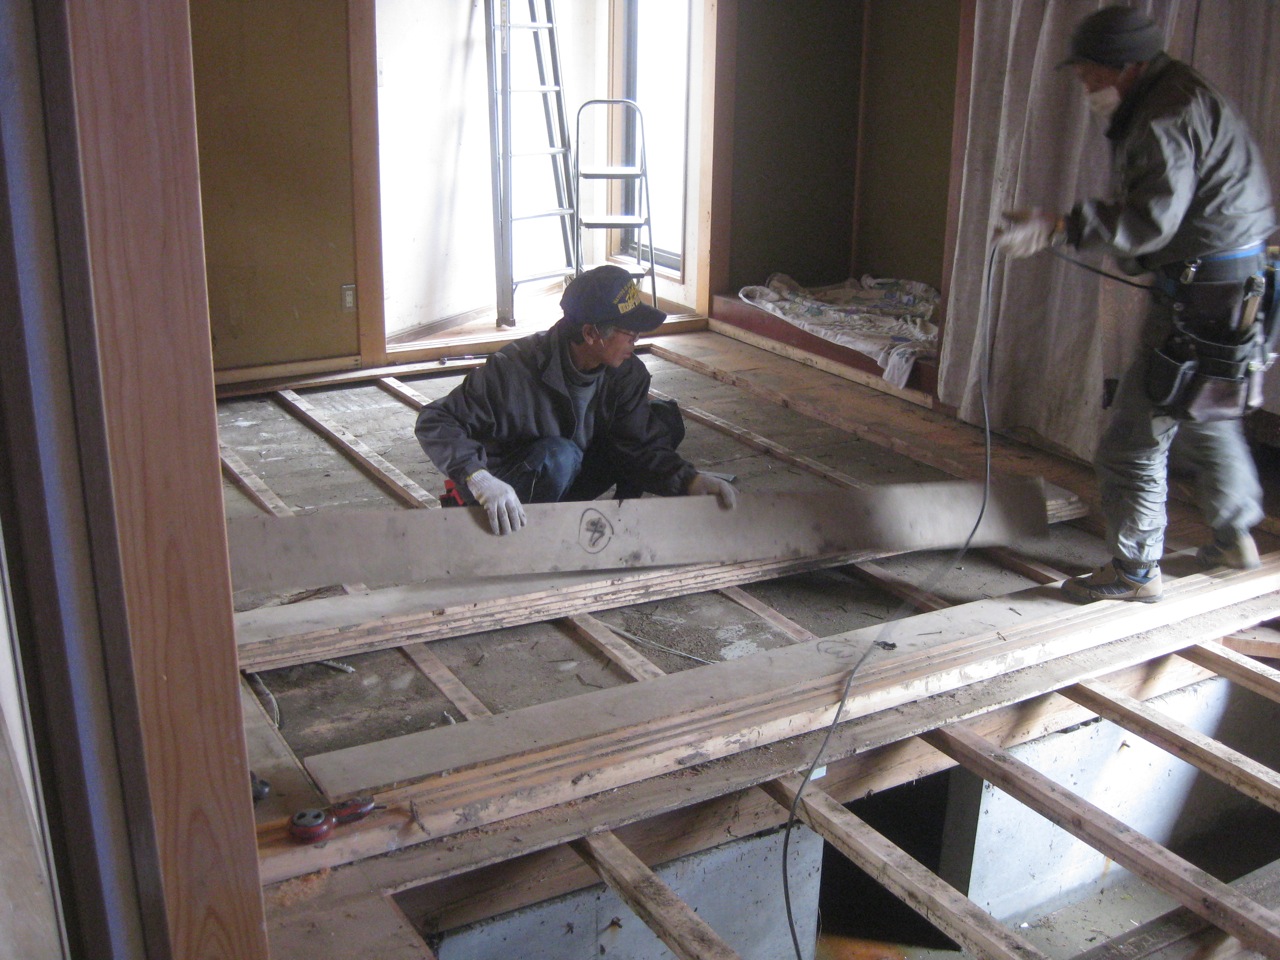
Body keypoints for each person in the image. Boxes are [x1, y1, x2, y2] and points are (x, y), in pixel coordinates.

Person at [995, 5, 1273, 603]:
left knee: (1132, 444)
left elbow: (1149, 222)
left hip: (1200, 297)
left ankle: (1134, 573)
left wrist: (1060, 225)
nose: (1086, 85)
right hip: (1240, 288)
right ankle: (1234, 535)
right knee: (1209, 407)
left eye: (1092, 74)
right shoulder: (1183, 91)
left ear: (1129, 66)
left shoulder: (1162, 117)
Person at [415, 265, 737, 535]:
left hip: (568, 474)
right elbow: (435, 420)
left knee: (663, 421)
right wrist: (479, 478)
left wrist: (690, 481)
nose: (636, 340)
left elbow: (637, 445)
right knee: (560, 456)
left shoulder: (625, 373)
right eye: (629, 332)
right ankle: (527, 541)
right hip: (508, 493)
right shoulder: (514, 369)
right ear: (590, 333)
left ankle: (615, 519)